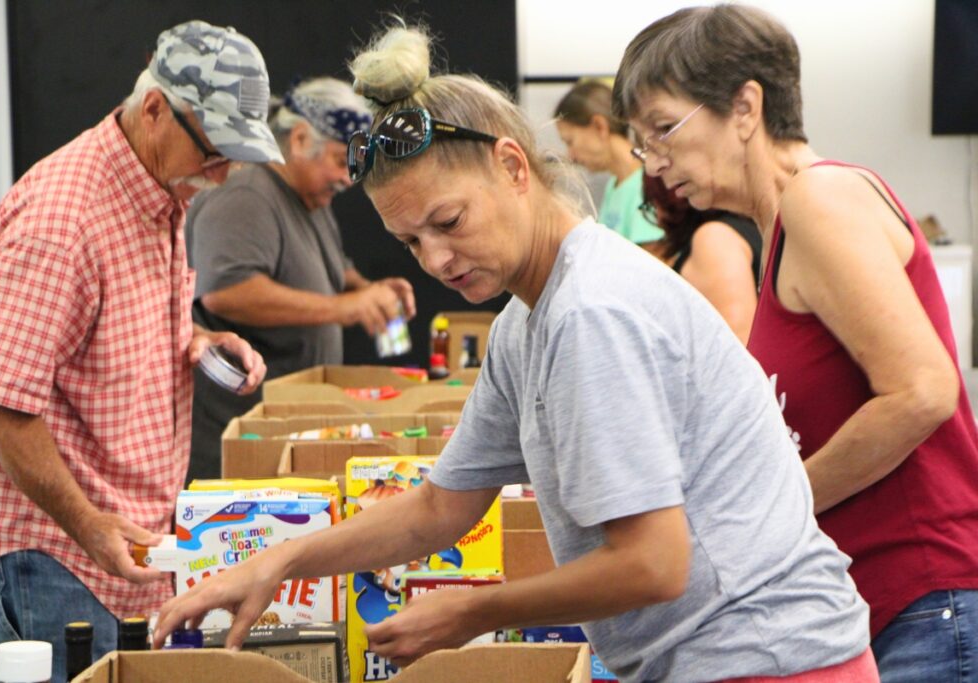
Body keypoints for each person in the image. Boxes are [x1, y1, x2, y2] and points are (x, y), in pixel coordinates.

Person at [153, 22, 876, 682]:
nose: (435, 258)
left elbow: (654, 562)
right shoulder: (527, 323)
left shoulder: (591, 309)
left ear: (512, 166)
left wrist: (473, 611)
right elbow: (440, 505)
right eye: (410, 242)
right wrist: (279, 559)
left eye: (449, 220)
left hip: (768, 659)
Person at [613, 5, 978, 681]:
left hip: (926, 599)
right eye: (643, 144)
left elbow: (924, 390)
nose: (656, 167)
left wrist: (775, 499)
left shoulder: (819, 198)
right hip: (883, 608)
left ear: (745, 106)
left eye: (665, 130)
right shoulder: (778, 233)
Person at [0, 20, 274, 683]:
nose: (223, 174)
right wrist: (89, 523)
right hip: (46, 556)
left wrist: (202, 340)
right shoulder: (62, 218)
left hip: (110, 548)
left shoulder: (159, 195)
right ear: (155, 108)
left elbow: (105, 335)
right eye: (213, 151)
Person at [185, 77, 415, 481]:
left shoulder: (308, 196)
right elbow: (226, 292)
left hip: (281, 432)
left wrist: (366, 290)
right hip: (239, 436)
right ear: (300, 138)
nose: (349, 178)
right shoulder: (245, 192)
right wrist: (341, 308)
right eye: (340, 160)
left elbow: (329, 270)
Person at [641, 174, 760, 343]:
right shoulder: (742, 226)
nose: (658, 218)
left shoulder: (714, 240)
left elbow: (738, 343)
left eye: (653, 204)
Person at [554, 79, 664, 253]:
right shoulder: (614, 186)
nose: (571, 155)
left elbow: (655, 262)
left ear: (599, 126)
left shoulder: (648, 184)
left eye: (570, 141)